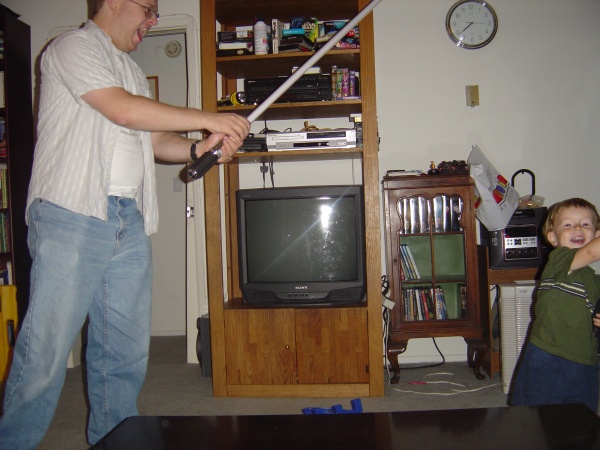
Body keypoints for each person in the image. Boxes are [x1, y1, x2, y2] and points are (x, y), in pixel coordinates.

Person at [0, 0, 250, 447]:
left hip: (128, 218)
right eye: (148, 9)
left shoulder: (131, 71)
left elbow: (157, 141)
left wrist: (204, 146)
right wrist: (209, 117)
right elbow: (122, 111)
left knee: (125, 351)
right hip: (71, 213)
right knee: (46, 351)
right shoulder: (71, 47)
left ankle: (113, 440)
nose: (152, 21)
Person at [510, 198, 600, 412]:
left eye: (586, 224)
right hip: (549, 354)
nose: (577, 228)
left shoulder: (594, 280)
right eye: (568, 224)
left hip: (584, 357)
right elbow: (591, 252)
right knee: (537, 415)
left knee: (582, 416)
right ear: (553, 238)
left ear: (596, 235)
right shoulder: (559, 260)